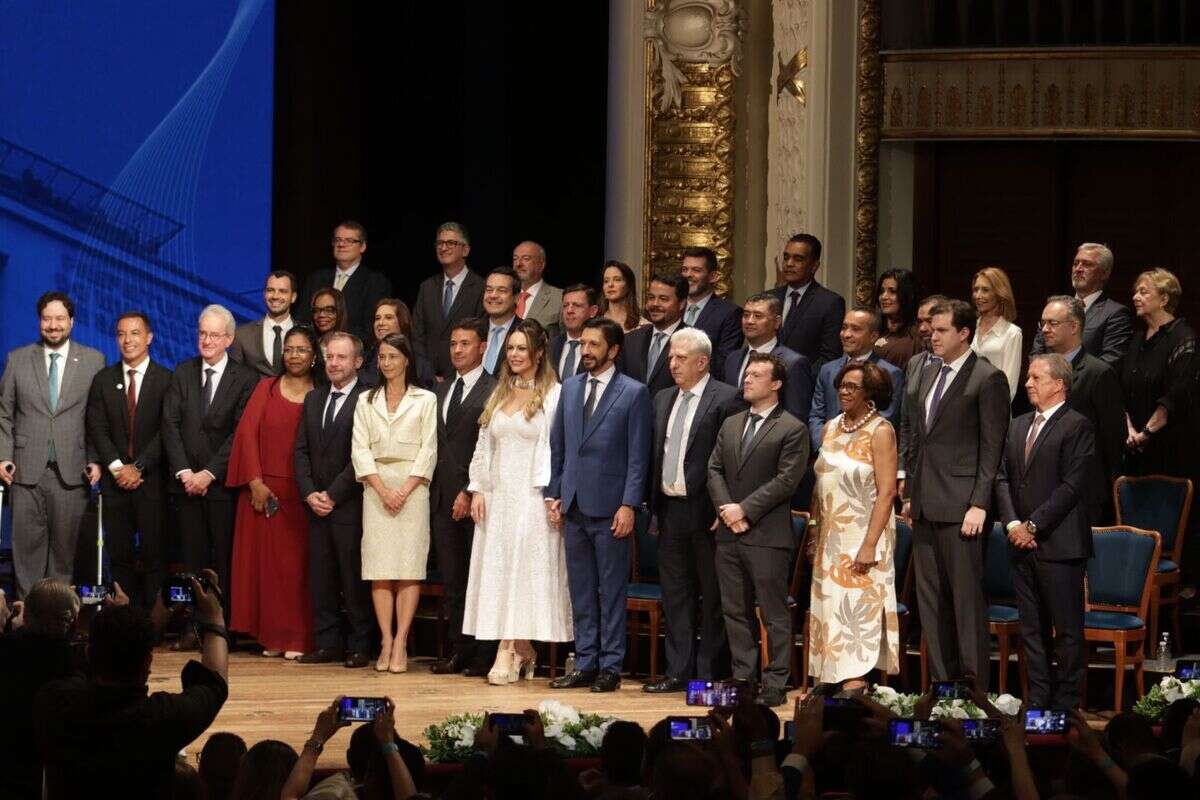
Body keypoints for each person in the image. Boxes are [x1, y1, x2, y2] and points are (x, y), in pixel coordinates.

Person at [33, 572, 229, 798]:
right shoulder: (163, 718)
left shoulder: (53, 703)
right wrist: (215, 618)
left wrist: (115, 621)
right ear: (148, 662)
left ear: (89, 653)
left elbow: (63, 659)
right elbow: (214, 684)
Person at [905, 299, 1010, 690]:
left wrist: (980, 502)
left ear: (964, 333)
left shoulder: (987, 378)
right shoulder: (927, 371)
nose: (933, 336)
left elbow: (993, 447)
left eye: (942, 330)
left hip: (963, 503)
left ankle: (973, 687)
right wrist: (911, 489)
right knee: (931, 601)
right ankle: (942, 683)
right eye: (932, 330)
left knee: (965, 602)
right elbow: (918, 435)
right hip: (926, 501)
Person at [546, 318, 651, 693]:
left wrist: (629, 505)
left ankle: (611, 665)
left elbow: (639, 457)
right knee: (582, 591)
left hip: (611, 508)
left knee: (611, 590)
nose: (586, 351)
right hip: (573, 504)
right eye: (583, 344)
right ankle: (586, 662)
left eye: (593, 345)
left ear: (614, 350)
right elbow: (559, 445)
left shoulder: (633, 392)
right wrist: (554, 492)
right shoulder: (570, 387)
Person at [465, 319, 572, 683]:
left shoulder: (555, 394)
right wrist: (478, 488)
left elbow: (560, 450)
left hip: (533, 497)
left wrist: (555, 495)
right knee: (501, 572)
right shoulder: (499, 394)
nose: (514, 354)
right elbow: (485, 446)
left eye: (521, 348)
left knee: (524, 575)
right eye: (510, 348)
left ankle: (507, 650)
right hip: (499, 497)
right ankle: (523, 649)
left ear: (539, 353)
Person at [643, 328, 742, 693]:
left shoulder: (727, 398)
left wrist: (726, 503)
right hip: (670, 509)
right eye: (670, 357)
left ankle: (707, 673)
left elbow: (732, 457)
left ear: (702, 362)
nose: (672, 364)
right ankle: (678, 672)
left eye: (680, 358)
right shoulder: (663, 397)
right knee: (676, 593)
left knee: (712, 595)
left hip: (708, 512)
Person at [707, 353, 810, 706]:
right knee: (734, 610)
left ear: (776, 384)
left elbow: (787, 480)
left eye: (756, 375)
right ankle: (743, 677)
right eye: (746, 373)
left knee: (773, 611)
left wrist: (744, 509)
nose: (747, 379)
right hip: (729, 531)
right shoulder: (732, 423)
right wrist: (726, 510)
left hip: (766, 534)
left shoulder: (792, 428)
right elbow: (714, 469)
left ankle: (776, 679)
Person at [995, 354, 1095, 710]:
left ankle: (1067, 705)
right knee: (1032, 632)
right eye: (1028, 377)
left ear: (1059, 384)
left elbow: (1072, 486)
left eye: (1036, 377)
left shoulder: (1076, 425)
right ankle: (1037, 702)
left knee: (1067, 632)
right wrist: (1011, 525)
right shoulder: (1019, 424)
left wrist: (1033, 525)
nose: (1028, 383)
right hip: (1021, 545)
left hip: (1059, 545)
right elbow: (1002, 477)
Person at [162, 305, 259, 642]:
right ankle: (192, 628)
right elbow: (170, 425)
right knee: (191, 560)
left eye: (214, 335)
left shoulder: (245, 378)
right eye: (202, 333)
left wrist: (208, 474)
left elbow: (240, 433)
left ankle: (221, 628)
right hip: (186, 485)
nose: (206, 340)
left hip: (221, 487)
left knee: (222, 560)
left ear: (229, 339)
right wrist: (186, 472)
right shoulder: (182, 371)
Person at [0, 291, 104, 595]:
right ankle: (25, 620)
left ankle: (58, 620)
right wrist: (2, 456)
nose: (53, 325)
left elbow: (97, 419)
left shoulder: (94, 360)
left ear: (71, 321)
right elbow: (4, 414)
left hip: (72, 472)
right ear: (39, 321)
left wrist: (96, 459)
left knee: (65, 555)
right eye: (47, 319)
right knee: (27, 553)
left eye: (60, 318)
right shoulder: (17, 360)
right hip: (25, 472)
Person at [807, 361, 900, 692]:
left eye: (852, 387)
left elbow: (888, 491)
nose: (844, 392)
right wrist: (815, 530)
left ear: (871, 393)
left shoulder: (880, 430)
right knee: (830, 610)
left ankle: (854, 685)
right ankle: (829, 681)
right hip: (831, 539)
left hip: (863, 536)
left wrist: (869, 544)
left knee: (855, 615)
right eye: (841, 386)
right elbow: (820, 483)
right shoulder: (830, 427)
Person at [227, 326, 319, 659]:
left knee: (297, 572)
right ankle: (273, 637)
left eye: (302, 350)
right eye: (290, 349)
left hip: (302, 495)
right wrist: (254, 482)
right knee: (267, 572)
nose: (295, 356)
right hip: (263, 493)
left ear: (314, 356)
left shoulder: (321, 392)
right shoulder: (265, 387)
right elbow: (246, 435)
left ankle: (298, 638)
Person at [351, 333, 437, 673]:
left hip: (413, 488)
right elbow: (359, 448)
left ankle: (402, 640)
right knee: (380, 569)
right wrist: (382, 489)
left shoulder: (425, 399)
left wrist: (405, 488)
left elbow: (428, 448)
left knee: (408, 567)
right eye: (382, 357)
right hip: (375, 488)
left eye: (393, 357)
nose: (386, 363)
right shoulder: (365, 400)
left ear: (406, 360)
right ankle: (385, 639)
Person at [293, 332, 373, 668]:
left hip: (349, 504)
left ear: (357, 361)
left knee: (352, 578)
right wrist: (310, 491)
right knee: (321, 577)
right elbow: (300, 451)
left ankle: (359, 645)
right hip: (315, 505)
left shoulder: (368, 399)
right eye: (330, 357)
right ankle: (328, 643)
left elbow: (363, 456)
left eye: (342, 357)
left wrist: (333, 494)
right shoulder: (314, 398)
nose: (334, 363)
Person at [85, 310, 172, 606]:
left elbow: (167, 430)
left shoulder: (167, 380)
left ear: (149, 337)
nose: (127, 340)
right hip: (114, 482)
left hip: (152, 482)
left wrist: (139, 467)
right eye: (121, 334)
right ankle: (124, 618)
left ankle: (153, 622)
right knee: (119, 554)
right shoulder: (103, 380)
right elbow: (97, 427)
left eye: (134, 333)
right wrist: (119, 468)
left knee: (154, 554)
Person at [429, 318, 499, 676]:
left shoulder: (495, 389)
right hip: (440, 499)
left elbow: (490, 449)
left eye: (465, 344)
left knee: (480, 580)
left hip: (478, 499)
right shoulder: (440, 391)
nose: (457, 350)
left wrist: (469, 490)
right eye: (453, 343)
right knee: (453, 581)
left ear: (483, 347)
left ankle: (483, 653)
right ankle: (459, 649)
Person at [1038, 296, 1125, 522]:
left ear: (1074, 326)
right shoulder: (1037, 371)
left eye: (1052, 323)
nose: (1045, 329)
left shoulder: (1099, 373)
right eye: (1042, 323)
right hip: (1042, 489)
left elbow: (1112, 439)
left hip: (1084, 494)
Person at [0, 579, 83, 799]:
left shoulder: (6, 649)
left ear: (26, 616)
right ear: (72, 623)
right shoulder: (76, 663)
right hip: (57, 769)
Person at [1120, 268, 1198, 479]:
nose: (1135, 297)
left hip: (1168, 450)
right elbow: (1122, 390)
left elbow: (1178, 394)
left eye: (1144, 292)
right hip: (1133, 447)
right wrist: (1130, 431)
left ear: (1164, 299)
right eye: (1136, 292)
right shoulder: (1136, 340)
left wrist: (1146, 433)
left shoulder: (1183, 337)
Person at [808, 308, 904, 450]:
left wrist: (847, 449)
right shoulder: (827, 370)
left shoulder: (890, 373)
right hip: (827, 454)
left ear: (873, 336)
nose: (846, 334)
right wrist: (825, 446)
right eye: (844, 327)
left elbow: (885, 418)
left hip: (865, 457)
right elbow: (816, 415)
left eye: (856, 329)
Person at [1029, 242, 1133, 365]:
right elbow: (1037, 352)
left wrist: (1066, 379)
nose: (1078, 269)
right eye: (1075, 263)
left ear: (1104, 273)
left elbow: (1109, 361)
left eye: (1087, 264)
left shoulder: (1116, 313)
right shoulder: (1055, 307)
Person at [723, 292, 813, 424]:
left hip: (772, 440)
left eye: (758, 316)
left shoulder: (793, 363)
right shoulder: (733, 358)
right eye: (746, 315)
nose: (749, 321)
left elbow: (796, 417)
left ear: (777, 322)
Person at [412, 221, 486, 381]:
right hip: (426, 380)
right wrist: (428, 374)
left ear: (465, 250)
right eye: (440, 243)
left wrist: (452, 375)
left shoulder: (481, 287)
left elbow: (480, 335)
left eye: (451, 243)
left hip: (463, 377)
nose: (443, 248)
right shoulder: (427, 287)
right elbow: (417, 335)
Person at [300, 221, 393, 345]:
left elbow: (372, 327)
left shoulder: (376, 282)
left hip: (356, 354)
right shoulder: (316, 279)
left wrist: (334, 340)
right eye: (337, 240)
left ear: (363, 246)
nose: (341, 244)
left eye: (349, 240)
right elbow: (303, 319)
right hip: (316, 352)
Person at [897, 294, 947, 504]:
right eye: (920, 321)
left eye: (930, 321)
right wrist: (902, 471)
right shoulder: (915, 363)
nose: (924, 328)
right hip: (914, 469)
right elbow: (906, 421)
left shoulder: (973, 366)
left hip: (948, 473)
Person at [772, 233, 845, 372]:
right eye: (786, 257)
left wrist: (798, 380)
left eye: (798, 259)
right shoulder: (770, 297)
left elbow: (830, 356)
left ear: (814, 266)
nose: (789, 264)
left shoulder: (830, 303)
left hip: (804, 386)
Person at [619, 274, 689, 398]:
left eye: (663, 299)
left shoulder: (693, 342)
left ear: (682, 303)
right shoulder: (630, 340)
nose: (655, 304)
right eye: (651, 297)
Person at [680, 247, 742, 380]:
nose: (688, 275)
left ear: (713, 276)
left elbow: (724, 363)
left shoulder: (730, 313)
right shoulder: (671, 308)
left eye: (696, 270)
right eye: (685, 269)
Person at [230, 270, 299, 377]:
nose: (275, 296)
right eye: (270, 290)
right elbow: (233, 377)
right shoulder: (242, 334)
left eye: (282, 291)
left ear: (293, 297)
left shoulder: (306, 334)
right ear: (264, 294)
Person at [970, 266, 1023, 400]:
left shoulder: (1012, 333)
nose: (978, 295)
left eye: (985, 290)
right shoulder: (969, 328)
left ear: (1000, 293)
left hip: (994, 408)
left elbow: (1009, 385)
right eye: (976, 289)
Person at [360, 298, 436, 388]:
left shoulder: (420, 364)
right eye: (377, 318)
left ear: (402, 322)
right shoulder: (365, 360)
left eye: (388, 317)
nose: (380, 323)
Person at [512, 240, 563, 339]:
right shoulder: (506, 296)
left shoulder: (559, 298)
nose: (518, 264)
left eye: (526, 259)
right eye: (515, 259)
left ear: (541, 265)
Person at [873, 268, 923, 369]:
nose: (884, 297)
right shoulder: (875, 329)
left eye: (892, 291)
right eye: (882, 291)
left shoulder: (917, 336)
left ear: (908, 296)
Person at [549, 284, 600, 380]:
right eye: (565, 305)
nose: (569, 310)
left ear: (593, 311)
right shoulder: (551, 346)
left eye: (577, 305)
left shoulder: (600, 347)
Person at [482, 267, 523, 375]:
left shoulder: (526, 332)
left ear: (517, 297)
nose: (493, 295)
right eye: (489, 290)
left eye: (502, 290)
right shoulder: (472, 329)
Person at [598, 260, 649, 331]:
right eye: (606, 281)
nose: (610, 285)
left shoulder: (643, 326)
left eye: (617, 280)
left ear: (628, 285)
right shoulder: (595, 322)